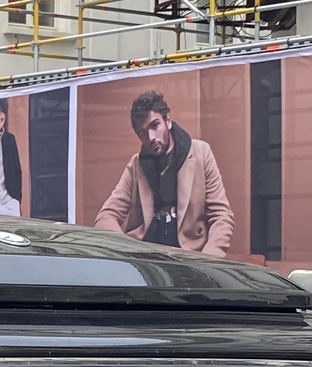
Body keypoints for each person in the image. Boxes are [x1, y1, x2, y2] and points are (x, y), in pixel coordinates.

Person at [94, 88, 234, 256]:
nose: (151, 137)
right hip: (147, 260)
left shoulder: (200, 153)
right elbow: (106, 217)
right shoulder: (136, 165)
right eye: (143, 133)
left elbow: (222, 216)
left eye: (155, 125)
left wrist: (209, 260)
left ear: (168, 120)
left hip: (191, 259)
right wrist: (127, 252)